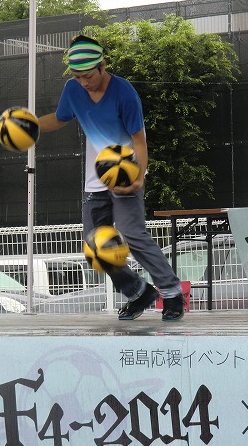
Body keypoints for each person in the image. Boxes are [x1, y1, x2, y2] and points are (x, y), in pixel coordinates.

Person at [38, 35, 184, 321]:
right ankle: (138, 293)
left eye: (88, 76)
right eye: (77, 77)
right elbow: (59, 118)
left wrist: (138, 177)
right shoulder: (73, 90)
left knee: (132, 233)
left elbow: (139, 140)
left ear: (102, 66)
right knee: (96, 247)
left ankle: (171, 292)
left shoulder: (124, 92)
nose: (83, 82)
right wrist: (31, 124)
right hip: (95, 180)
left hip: (124, 174)